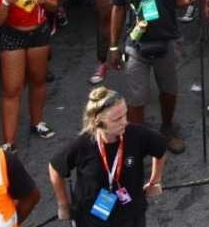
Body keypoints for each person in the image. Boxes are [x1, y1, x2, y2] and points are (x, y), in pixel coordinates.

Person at [108, 0, 199, 155]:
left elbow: (179, 0)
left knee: (169, 89)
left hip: (166, 39)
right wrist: (113, 47)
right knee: (136, 96)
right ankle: (139, 138)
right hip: (136, 44)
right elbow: (117, 9)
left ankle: (167, 128)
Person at [48, 87, 168, 227]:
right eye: (117, 119)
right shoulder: (82, 145)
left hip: (130, 216)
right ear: (98, 120)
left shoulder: (137, 135)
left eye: (125, 115)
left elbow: (160, 148)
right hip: (92, 219)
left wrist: (155, 181)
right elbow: (55, 167)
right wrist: (63, 204)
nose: (124, 122)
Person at [0, 0, 59, 149]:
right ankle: (8, 141)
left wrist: (44, 2)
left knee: (38, 79)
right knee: (12, 88)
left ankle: (37, 122)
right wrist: (6, 2)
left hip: (39, 33)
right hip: (13, 36)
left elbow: (54, 6)